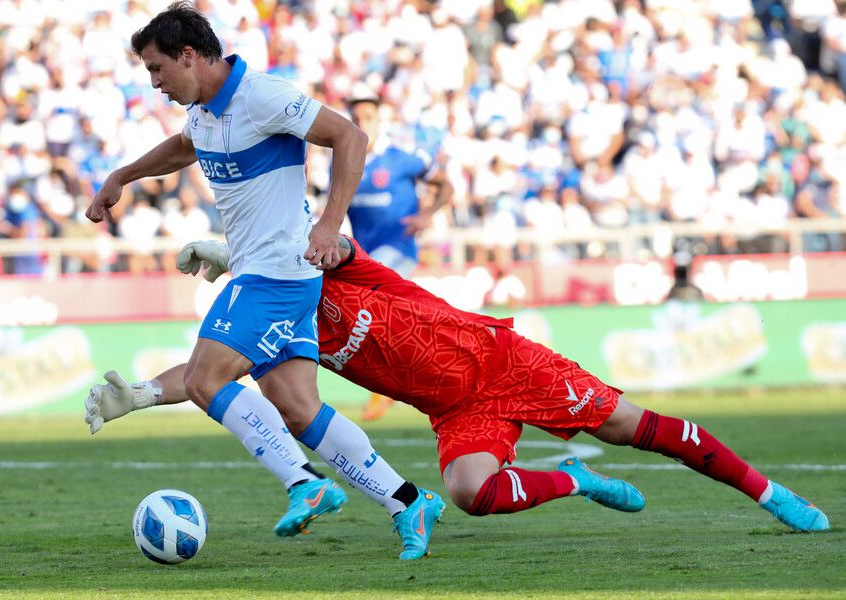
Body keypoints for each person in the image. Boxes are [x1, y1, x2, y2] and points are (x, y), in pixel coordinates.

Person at [87, 236, 829, 533]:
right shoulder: (284, 332)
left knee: (639, 428)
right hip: (455, 408)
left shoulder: (342, 270)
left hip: (510, 364)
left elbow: (330, 241)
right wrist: (145, 395)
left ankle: (771, 494)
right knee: (473, 494)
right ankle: (572, 481)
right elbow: (209, 373)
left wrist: (238, 248)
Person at [83, 2, 443, 561]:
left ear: (189, 55)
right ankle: (407, 501)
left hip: (278, 272)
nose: (154, 83)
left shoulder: (262, 95)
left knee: (208, 379)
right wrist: (122, 175)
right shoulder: (203, 110)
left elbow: (350, 137)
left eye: (157, 70)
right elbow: (185, 147)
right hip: (270, 271)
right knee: (297, 408)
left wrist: (329, 224)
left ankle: (306, 484)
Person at [345, 84, 454, 421]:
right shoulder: (344, 157)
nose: (362, 123)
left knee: (372, 307)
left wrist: (426, 215)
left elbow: (446, 185)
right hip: (365, 254)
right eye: (356, 117)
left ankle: (385, 388)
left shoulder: (404, 158)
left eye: (368, 117)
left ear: (380, 120)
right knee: (378, 318)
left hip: (398, 249)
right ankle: (415, 375)